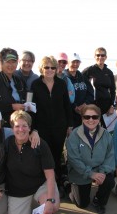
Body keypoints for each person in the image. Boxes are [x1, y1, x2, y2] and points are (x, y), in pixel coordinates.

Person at [31, 56, 73, 195]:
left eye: (52, 67)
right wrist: (33, 129)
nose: (49, 70)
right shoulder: (35, 85)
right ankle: (45, 186)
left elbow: (67, 105)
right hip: (41, 128)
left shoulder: (61, 84)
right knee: (43, 156)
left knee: (56, 155)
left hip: (59, 127)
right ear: (41, 69)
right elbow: (31, 109)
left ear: (56, 69)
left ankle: (58, 183)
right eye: (46, 67)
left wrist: (69, 125)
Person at [6, 110, 60, 214]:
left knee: (51, 207)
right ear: (12, 128)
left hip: (39, 185)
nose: (21, 129)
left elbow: (50, 176)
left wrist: (49, 200)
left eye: (24, 126)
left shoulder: (40, 144)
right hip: (18, 191)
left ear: (30, 128)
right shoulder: (7, 143)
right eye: (17, 126)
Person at [66, 104, 115, 214]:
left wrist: (101, 173)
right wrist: (90, 174)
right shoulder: (74, 135)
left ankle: (99, 200)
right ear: (82, 118)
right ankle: (69, 188)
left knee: (109, 180)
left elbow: (110, 155)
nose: (91, 120)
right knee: (82, 204)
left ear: (99, 118)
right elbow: (73, 159)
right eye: (87, 117)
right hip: (80, 172)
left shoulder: (106, 134)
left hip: (99, 169)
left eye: (95, 117)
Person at [0, 48, 26, 127]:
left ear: (17, 63)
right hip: (3, 126)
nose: (11, 65)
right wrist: (12, 107)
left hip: (20, 125)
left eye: (13, 62)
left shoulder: (20, 80)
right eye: (8, 62)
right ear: (1, 63)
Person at [82, 47, 116, 128]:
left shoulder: (109, 72)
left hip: (106, 106)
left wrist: (112, 106)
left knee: (106, 130)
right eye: (98, 55)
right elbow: (80, 82)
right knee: (92, 129)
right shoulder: (89, 70)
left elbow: (113, 90)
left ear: (106, 57)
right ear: (94, 56)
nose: (100, 57)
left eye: (102, 55)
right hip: (93, 105)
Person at [64, 53, 94, 127]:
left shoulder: (82, 77)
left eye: (77, 62)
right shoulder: (64, 78)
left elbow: (91, 93)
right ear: (68, 63)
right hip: (69, 114)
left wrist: (85, 104)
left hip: (84, 112)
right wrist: (75, 107)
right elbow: (64, 96)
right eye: (73, 62)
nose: (75, 64)